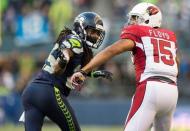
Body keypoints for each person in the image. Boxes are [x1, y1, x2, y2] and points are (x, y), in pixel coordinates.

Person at [71, 2, 180, 131]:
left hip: (150, 87)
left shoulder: (138, 31)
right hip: (172, 91)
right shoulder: (169, 36)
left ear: (149, 19)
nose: (132, 22)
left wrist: (84, 71)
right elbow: (176, 63)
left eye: (135, 18)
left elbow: (111, 50)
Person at [20, 12, 112, 131]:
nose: (95, 36)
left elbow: (78, 69)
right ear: (81, 28)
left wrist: (95, 73)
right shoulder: (76, 41)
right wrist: (63, 60)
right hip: (50, 92)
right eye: (93, 32)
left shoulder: (74, 41)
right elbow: (62, 61)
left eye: (97, 33)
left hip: (31, 92)